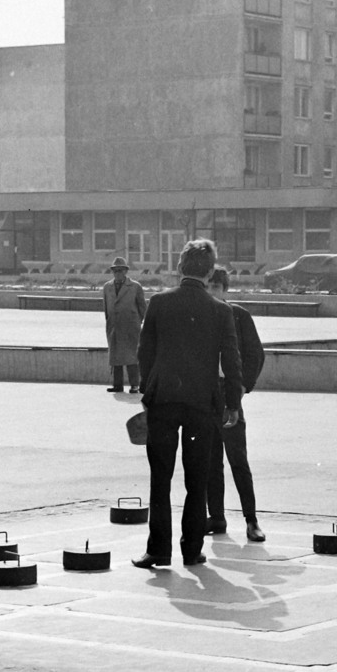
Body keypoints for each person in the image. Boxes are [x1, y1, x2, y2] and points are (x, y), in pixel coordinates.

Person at [133, 239, 242, 569]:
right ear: (210, 273)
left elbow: (144, 353)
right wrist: (232, 403)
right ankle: (192, 550)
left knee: (160, 478)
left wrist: (147, 390)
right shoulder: (221, 311)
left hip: (164, 400)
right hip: (201, 404)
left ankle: (158, 550)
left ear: (180, 267)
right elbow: (232, 362)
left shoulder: (159, 303)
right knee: (197, 480)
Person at [204, 268, 266, 542]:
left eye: (216, 287)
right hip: (205, 394)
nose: (211, 292)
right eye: (208, 286)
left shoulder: (239, 315)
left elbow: (255, 354)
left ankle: (251, 520)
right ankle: (216, 517)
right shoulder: (198, 317)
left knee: (237, 458)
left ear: (225, 289)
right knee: (210, 461)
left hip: (229, 393)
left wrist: (241, 388)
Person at [103, 256, 146, 392]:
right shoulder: (107, 287)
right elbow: (106, 307)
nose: (118, 273)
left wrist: (137, 322)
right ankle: (118, 385)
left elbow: (142, 307)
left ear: (126, 271)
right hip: (114, 325)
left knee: (131, 356)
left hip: (130, 326)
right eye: (115, 270)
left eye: (121, 270)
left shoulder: (135, 286)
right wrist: (110, 322)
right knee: (115, 356)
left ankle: (134, 384)